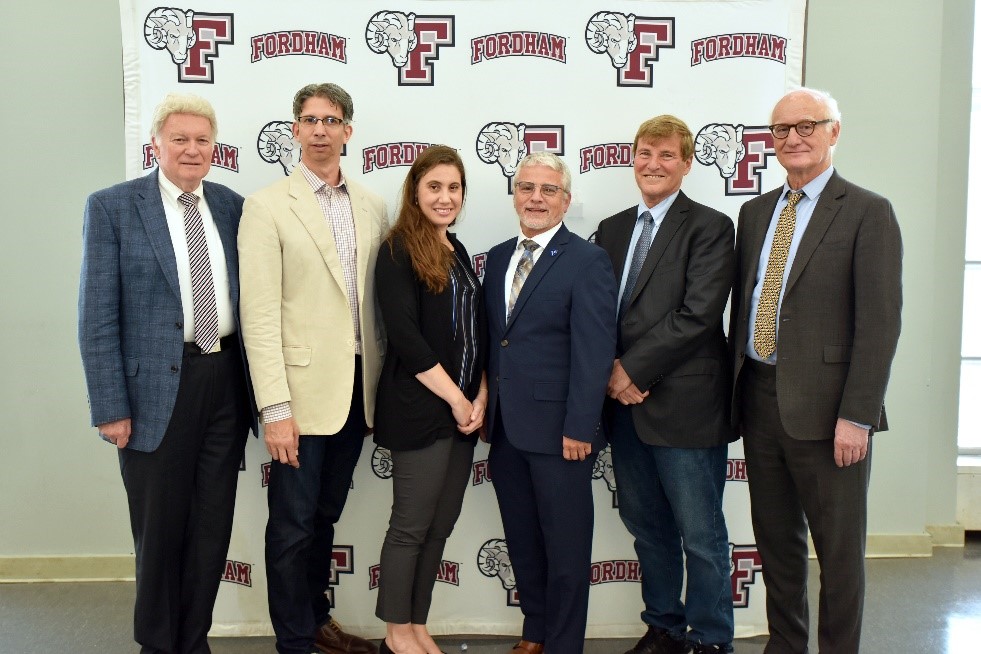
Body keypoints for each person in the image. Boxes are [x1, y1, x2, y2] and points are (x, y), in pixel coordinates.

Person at [78, 93, 254, 653]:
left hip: (223, 381)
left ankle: (192, 639)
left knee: (210, 526)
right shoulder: (113, 207)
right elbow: (97, 314)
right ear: (155, 144)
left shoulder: (231, 206)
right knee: (159, 531)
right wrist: (111, 406)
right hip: (152, 391)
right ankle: (158, 643)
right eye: (179, 139)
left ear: (214, 148)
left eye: (202, 140)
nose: (191, 149)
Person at [729, 88, 903, 654]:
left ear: (834, 132)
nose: (793, 138)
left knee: (838, 552)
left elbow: (879, 325)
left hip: (831, 414)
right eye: (781, 130)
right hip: (758, 399)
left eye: (808, 126)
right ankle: (786, 646)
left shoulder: (867, 211)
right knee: (776, 544)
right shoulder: (755, 212)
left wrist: (857, 416)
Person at [238, 83, 387, 654]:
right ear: (294, 130)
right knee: (293, 526)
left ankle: (316, 620)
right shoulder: (267, 205)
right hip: (296, 400)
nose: (320, 129)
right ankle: (294, 641)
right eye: (309, 120)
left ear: (349, 130)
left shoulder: (372, 204)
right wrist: (274, 408)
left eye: (332, 119)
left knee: (324, 519)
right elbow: (259, 316)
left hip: (356, 394)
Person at [595, 115, 736, 654]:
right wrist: (611, 371)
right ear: (632, 156)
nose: (654, 164)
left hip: (685, 406)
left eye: (667, 156)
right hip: (624, 407)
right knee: (647, 527)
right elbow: (592, 314)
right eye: (646, 153)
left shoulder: (710, 227)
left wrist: (628, 370)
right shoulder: (610, 230)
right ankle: (664, 627)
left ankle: (711, 638)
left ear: (686, 163)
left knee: (701, 535)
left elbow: (697, 315)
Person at [483, 152, 618, 654]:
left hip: (563, 432)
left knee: (565, 550)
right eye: (526, 188)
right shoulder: (497, 257)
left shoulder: (587, 260)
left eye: (547, 190)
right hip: (506, 430)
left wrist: (581, 426)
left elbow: (594, 350)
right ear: (515, 193)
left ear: (565, 200)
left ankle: (564, 645)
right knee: (522, 541)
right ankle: (536, 631)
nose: (535, 198)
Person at [372, 145, 487, 654]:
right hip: (422, 412)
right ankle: (396, 634)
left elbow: (476, 333)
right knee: (411, 527)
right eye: (434, 187)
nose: (445, 197)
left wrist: (479, 395)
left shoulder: (457, 251)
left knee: (439, 528)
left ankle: (418, 625)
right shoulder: (398, 250)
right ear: (415, 192)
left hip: (463, 414)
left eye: (454, 187)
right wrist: (458, 401)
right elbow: (406, 338)